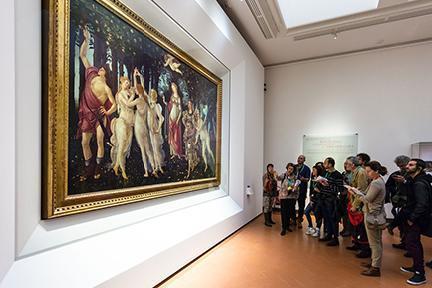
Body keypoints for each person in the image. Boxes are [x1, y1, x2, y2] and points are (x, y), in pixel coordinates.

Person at [77, 26, 116, 180]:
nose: (99, 69)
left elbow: (114, 104)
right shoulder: (91, 73)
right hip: (87, 114)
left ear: (105, 73)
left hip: (99, 117)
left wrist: (107, 112)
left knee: (100, 140)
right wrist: (86, 40)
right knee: (84, 142)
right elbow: (82, 55)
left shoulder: (106, 88)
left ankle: (98, 167)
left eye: (102, 69)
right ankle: (88, 169)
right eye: (99, 68)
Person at [348, 161, 387, 277]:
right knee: (376, 242)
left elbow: (367, 199)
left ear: (376, 171)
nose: (367, 173)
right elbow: (366, 194)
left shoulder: (376, 183)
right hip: (374, 213)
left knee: (374, 243)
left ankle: (375, 267)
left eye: (369, 171)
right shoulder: (376, 181)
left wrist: (355, 193)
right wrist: (357, 192)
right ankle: (374, 263)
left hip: (372, 215)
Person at [400, 159, 430, 286]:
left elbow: (422, 204)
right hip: (416, 217)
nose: (407, 166)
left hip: (417, 219)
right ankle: (416, 266)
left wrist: (412, 218)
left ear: (419, 168)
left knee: (413, 243)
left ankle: (420, 274)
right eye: (408, 164)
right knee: (412, 242)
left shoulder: (419, 183)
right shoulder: (415, 180)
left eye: (411, 165)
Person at [129, 68, 156, 177]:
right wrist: (137, 76)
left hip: (139, 127)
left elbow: (128, 104)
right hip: (144, 127)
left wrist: (131, 95)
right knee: (148, 149)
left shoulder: (137, 100)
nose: (134, 90)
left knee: (143, 150)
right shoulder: (145, 99)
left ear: (136, 91)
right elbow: (141, 87)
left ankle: (146, 171)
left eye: (135, 90)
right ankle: (154, 168)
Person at [345, 156, 371, 258]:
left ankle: (365, 249)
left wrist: (355, 205)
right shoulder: (354, 172)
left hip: (359, 203)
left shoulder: (361, 173)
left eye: (347, 163)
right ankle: (357, 243)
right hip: (353, 200)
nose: (346, 165)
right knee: (355, 226)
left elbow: (361, 190)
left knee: (361, 227)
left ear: (353, 165)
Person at [110, 76, 135, 180]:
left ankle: (116, 166)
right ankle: (123, 170)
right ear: (121, 84)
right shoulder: (120, 94)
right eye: (125, 82)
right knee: (121, 146)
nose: (127, 84)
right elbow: (128, 104)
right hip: (122, 122)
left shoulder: (129, 93)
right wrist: (133, 95)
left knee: (125, 147)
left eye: (128, 82)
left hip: (130, 123)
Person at [316, 157, 344, 246]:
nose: (324, 165)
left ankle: (335, 239)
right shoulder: (325, 173)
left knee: (333, 219)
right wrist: (319, 183)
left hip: (331, 199)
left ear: (330, 164)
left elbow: (340, 189)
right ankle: (329, 235)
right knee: (326, 219)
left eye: (325, 163)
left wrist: (328, 185)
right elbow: (322, 185)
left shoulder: (338, 175)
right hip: (323, 198)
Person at [386, 155, 410, 249]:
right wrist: (394, 189)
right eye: (399, 166)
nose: (400, 168)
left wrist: (404, 181)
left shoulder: (411, 175)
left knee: (407, 224)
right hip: (397, 202)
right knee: (401, 223)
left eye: (402, 165)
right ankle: (404, 242)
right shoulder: (395, 174)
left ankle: (407, 243)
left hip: (408, 202)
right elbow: (388, 186)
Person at [278, 163, 299, 235]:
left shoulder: (295, 177)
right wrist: (274, 174)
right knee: (283, 213)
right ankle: (283, 228)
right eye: (289, 168)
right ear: (287, 168)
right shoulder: (283, 175)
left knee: (289, 213)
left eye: (292, 169)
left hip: (291, 197)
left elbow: (296, 186)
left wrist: (295, 189)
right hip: (284, 197)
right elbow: (277, 178)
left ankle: (287, 226)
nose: (290, 170)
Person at [148, 89, 165, 175]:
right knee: (152, 149)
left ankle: (158, 167)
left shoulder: (156, 105)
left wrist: (158, 129)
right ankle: (156, 167)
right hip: (149, 128)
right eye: (150, 94)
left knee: (155, 149)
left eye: (151, 94)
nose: (150, 95)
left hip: (154, 127)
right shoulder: (149, 104)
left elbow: (162, 118)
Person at [182, 100, 199, 178]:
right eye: (188, 104)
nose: (189, 105)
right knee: (188, 152)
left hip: (193, 133)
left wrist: (195, 129)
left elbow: (196, 123)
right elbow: (183, 120)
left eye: (190, 104)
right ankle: (190, 167)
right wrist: (186, 126)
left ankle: (190, 169)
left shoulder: (195, 113)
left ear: (192, 104)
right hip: (187, 133)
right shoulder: (185, 113)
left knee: (192, 151)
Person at [305, 165, 324, 235]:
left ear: (318, 171)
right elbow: (311, 190)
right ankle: (310, 227)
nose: (313, 171)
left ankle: (318, 229)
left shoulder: (321, 179)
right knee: (306, 212)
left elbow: (324, 190)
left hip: (319, 199)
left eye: (314, 170)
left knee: (317, 214)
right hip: (313, 199)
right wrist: (310, 199)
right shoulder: (313, 179)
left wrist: (319, 191)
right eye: (312, 170)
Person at [167, 82, 183, 159]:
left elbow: (180, 110)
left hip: (176, 119)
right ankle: (173, 152)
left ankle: (177, 152)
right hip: (171, 118)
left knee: (176, 136)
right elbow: (170, 107)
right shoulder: (172, 96)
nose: (173, 88)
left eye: (174, 87)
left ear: (176, 87)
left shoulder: (179, 98)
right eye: (172, 87)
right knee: (171, 134)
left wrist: (177, 120)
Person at [296, 155, 311, 228]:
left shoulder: (307, 168)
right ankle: (292, 219)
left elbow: (308, 179)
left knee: (301, 206)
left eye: (301, 158)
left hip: (302, 190)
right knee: (291, 205)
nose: (299, 159)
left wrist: (303, 179)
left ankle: (299, 220)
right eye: (298, 158)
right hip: (293, 190)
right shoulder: (294, 167)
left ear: (304, 160)